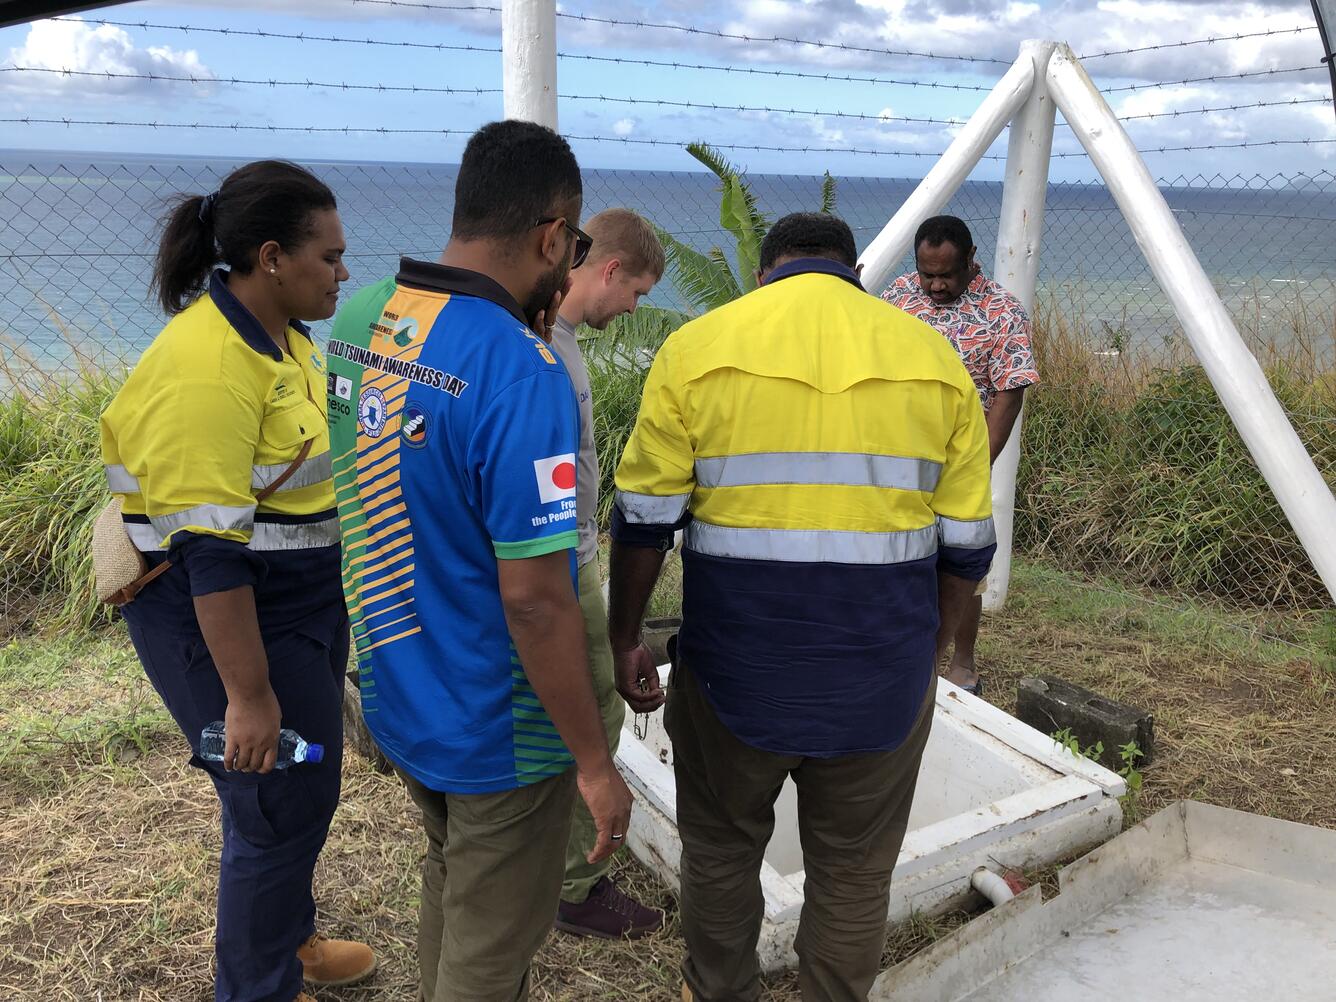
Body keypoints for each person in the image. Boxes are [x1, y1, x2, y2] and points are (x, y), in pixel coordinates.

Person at [607, 212, 996, 1002]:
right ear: (854, 273)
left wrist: (623, 639)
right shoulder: (934, 360)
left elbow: (644, 523)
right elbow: (966, 548)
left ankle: (721, 990)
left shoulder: (697, 351)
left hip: (733, 677)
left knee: (719, 849)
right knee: (854, 872)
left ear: (763, 274)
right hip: (881, 681)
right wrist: (930, 652)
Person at [325, 120, 633, 1001]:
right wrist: (594, 763)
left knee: (454, 879)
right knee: (491, 955)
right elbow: (537, 601)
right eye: (572, 249)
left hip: (401, 689)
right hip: (504, 730)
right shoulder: (521, 370)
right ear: (551, 235)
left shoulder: (361, 315)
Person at [100, 160, 375, 1002]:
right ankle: (254, 986)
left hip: (298, 606)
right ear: (271, 257)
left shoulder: (282, 338)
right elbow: (212, 556)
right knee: (273, 807)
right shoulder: (205, 370)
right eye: (328, 257)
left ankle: (289, 944)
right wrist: (247, 698)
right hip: (218, 618)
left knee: (303, 787)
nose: (343, 273)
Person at [547, 207, 666, 940]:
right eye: (638, 293)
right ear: (610, 269)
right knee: (598, 712)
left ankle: (559, 865)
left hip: (568, 557)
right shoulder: (548, 350)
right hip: (561, 566)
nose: (632, 310)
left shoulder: (550, 337)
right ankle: (576, 883)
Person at [881, 214, 1039, 696]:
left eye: (947, 274)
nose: (936, 285)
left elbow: (1009, 394)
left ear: (972, 261)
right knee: (897, 555)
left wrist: (974, 466)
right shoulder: (898, 297)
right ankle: (903, 652)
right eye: (927, 273)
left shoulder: (1002, 311)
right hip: (895, 455)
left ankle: (962, 663)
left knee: (962, 561)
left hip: (961, 461)